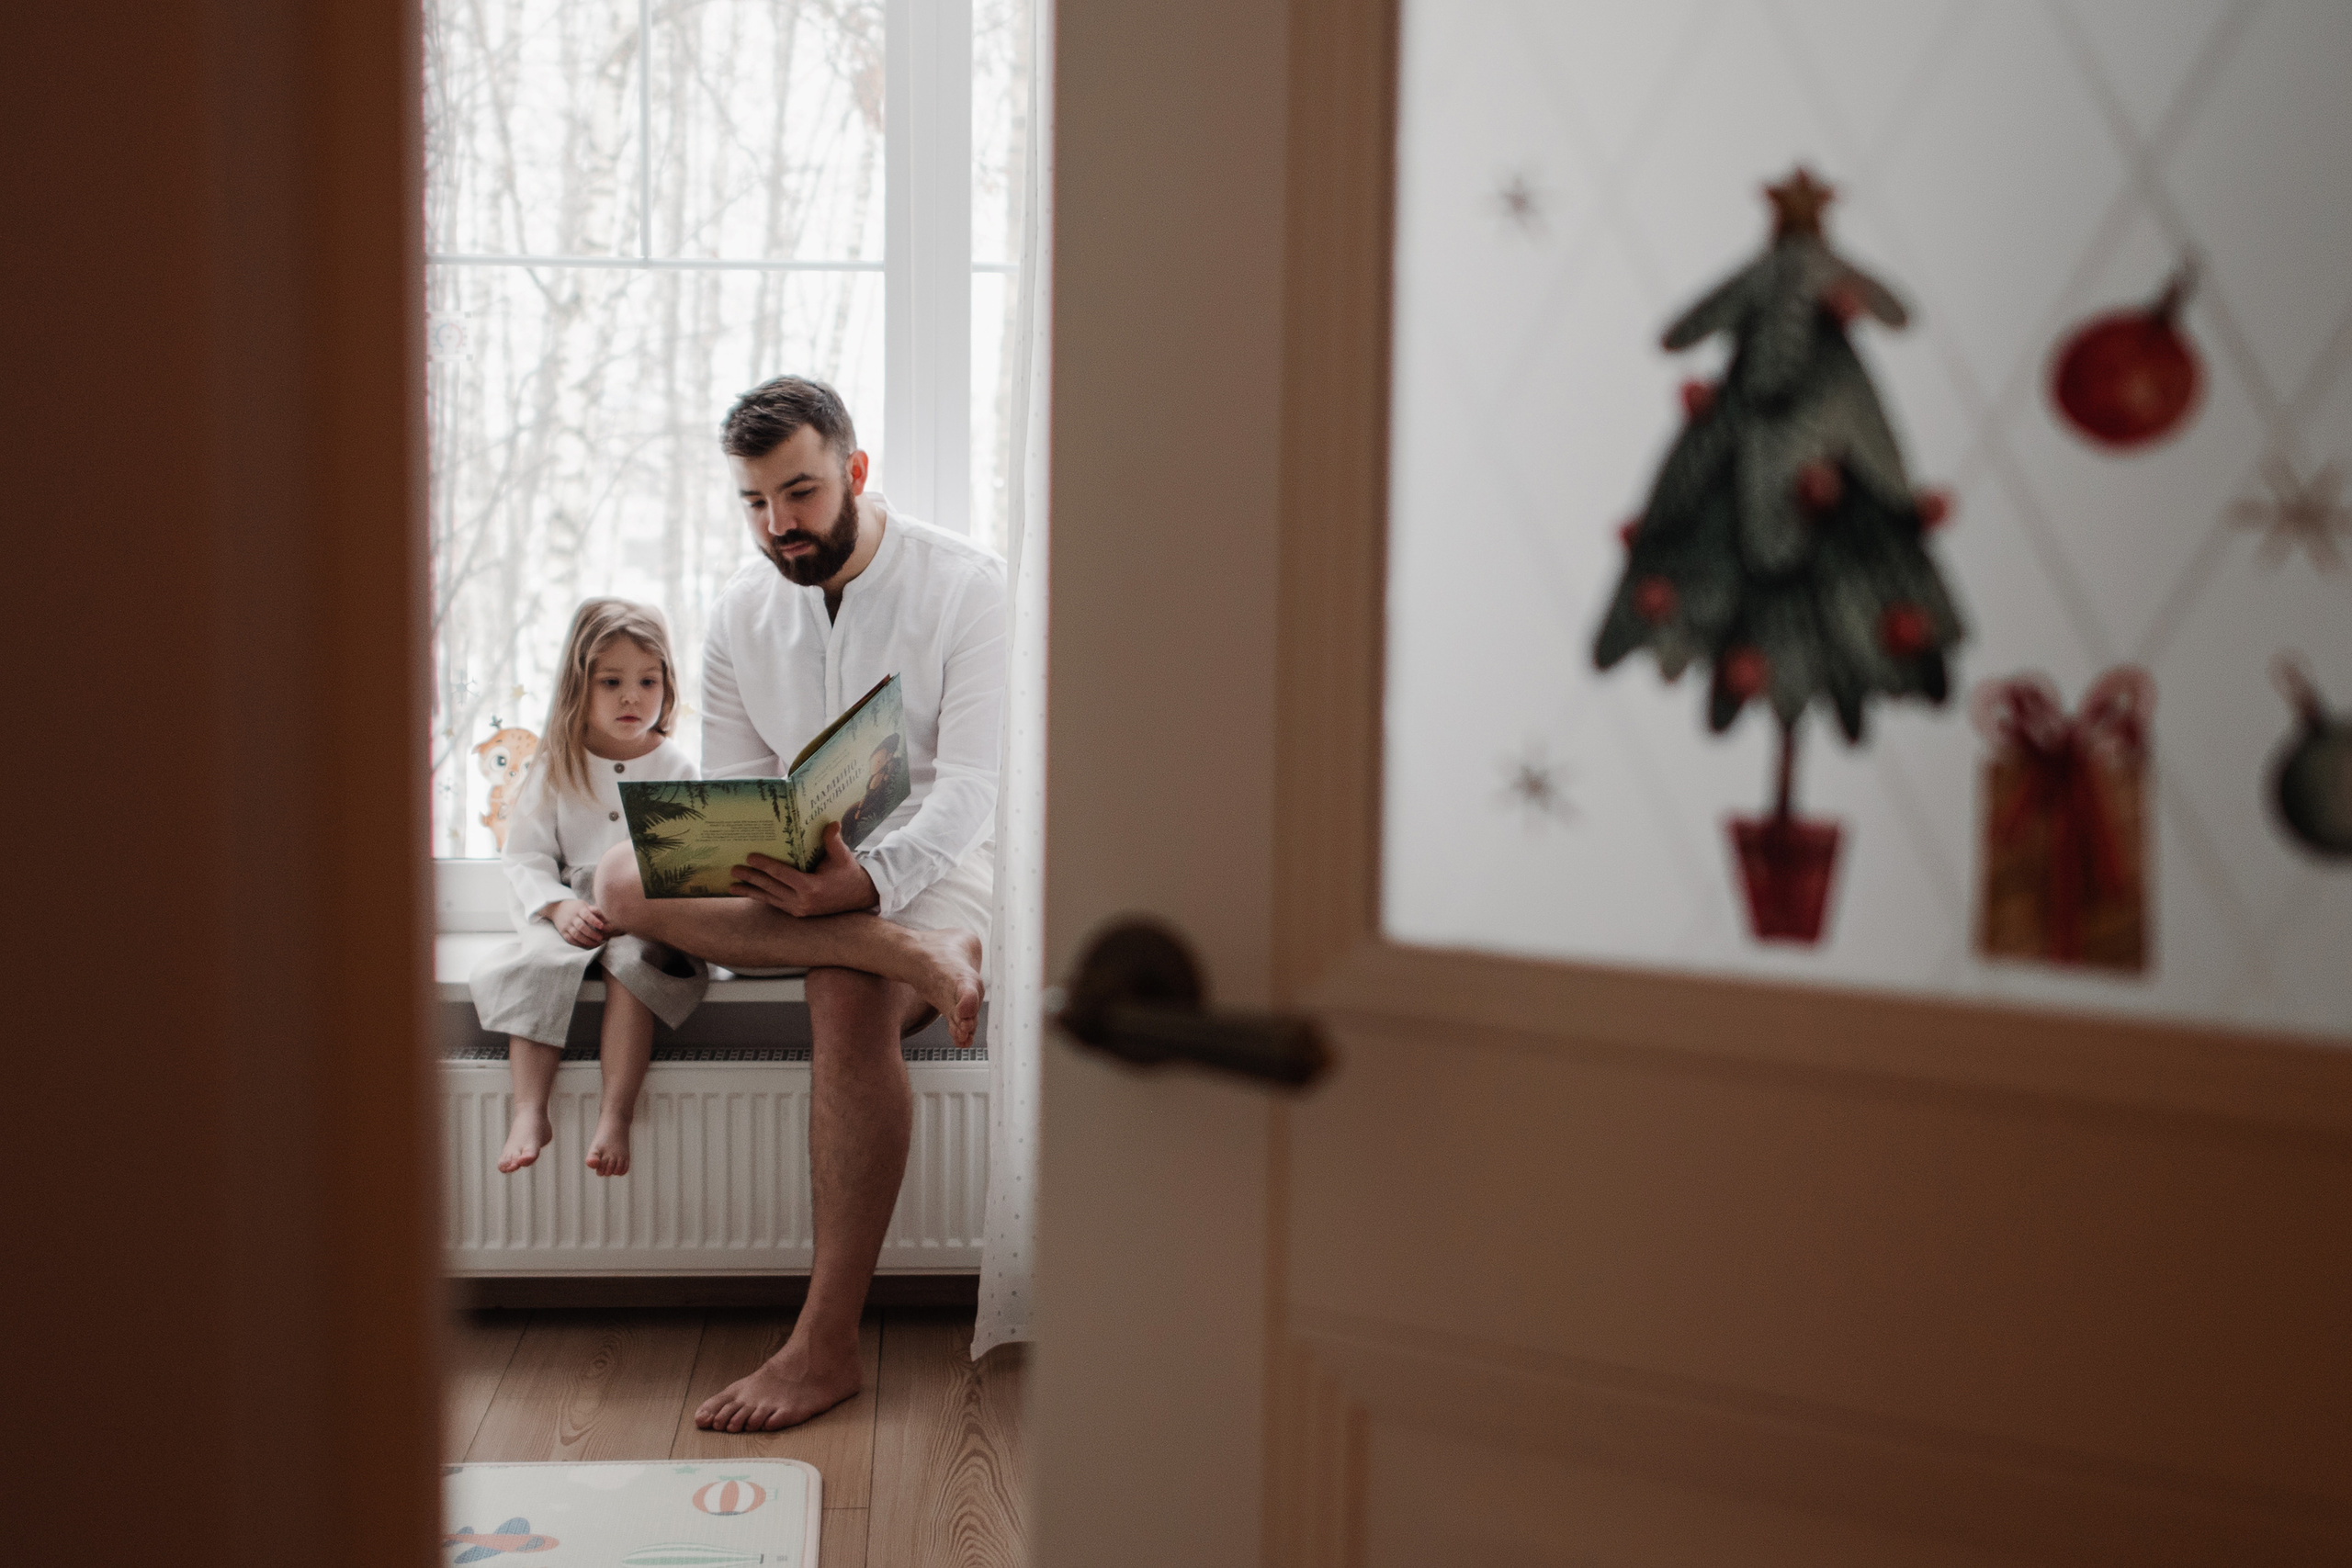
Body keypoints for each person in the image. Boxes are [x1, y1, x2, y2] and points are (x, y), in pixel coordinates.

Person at [593, 375, 1002, 1433]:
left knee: (840, 989)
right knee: (616, 878)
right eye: (756, 502)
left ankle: (825, 1345)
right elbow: (730, 781)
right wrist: (765, 852)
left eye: (802, 493)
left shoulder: (966, 585)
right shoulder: (739, 606)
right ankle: (915, 955)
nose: (779, 526)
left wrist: (864, 882)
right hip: (796, 877)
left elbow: (972, 788)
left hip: (932, 870)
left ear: (855, 472)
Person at [470, 598, 709, 1179]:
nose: (632, 697)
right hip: (568, 908)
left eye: (647, 681)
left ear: (668, 686)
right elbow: (524, 854)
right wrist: (557, 906)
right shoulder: (558, 763)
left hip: (645, 915)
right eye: (612, 682)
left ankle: (615, 1116)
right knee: (537, 966)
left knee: (633, 970)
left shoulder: (675, 767)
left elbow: (690, 866)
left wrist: (645, 908)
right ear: (581, 686)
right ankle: (530, 1111)